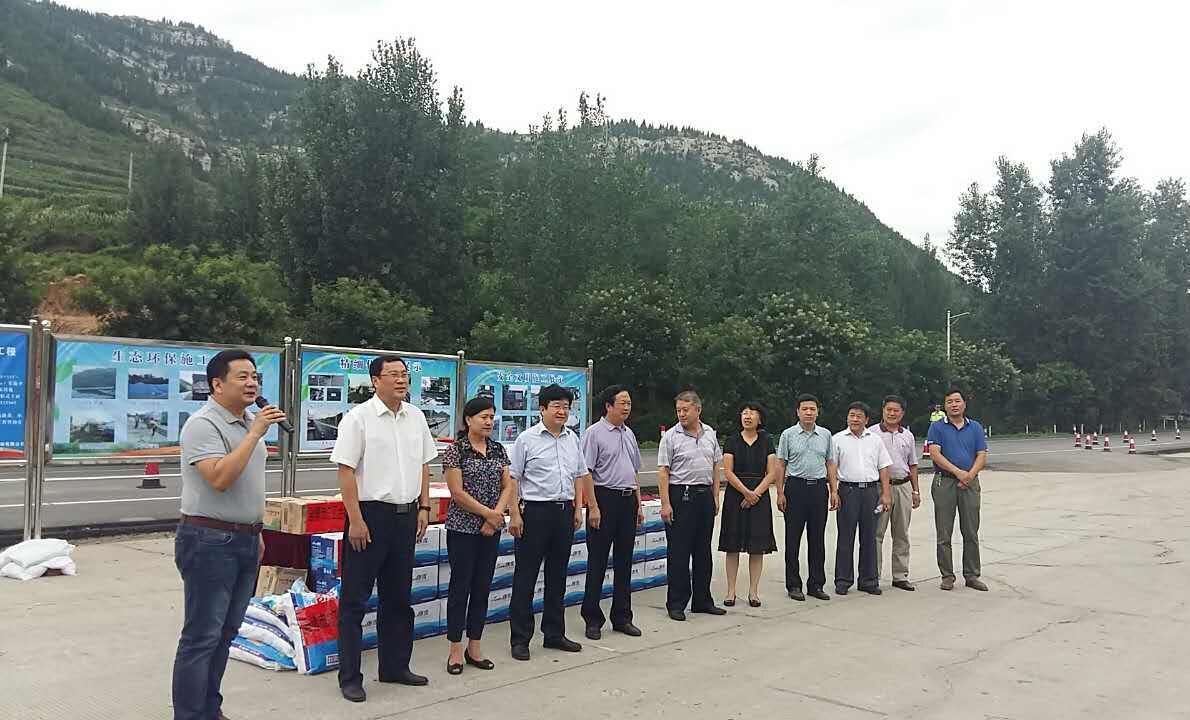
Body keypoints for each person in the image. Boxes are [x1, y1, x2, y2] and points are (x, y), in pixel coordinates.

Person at [173, 349, 287, 720]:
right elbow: (220, 478)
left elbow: (248, 484)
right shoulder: (203, 425)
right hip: (209, 540)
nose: (252, 383)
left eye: (255, 376)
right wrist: (254, 434)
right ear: (217, 384)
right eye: (242, 377)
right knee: (202, 636)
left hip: (246, 539)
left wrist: (256, 530)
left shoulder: (250, 421)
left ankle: (211, 709)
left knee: (226, 633)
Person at [331, 355, 437, 703]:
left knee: (398, 598)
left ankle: (394, 667)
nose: (401, 380)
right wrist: (356, 519)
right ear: (375, 380)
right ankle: (350, 677)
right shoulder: (358, 418)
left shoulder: (416, 417)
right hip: (369, 517)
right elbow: (346, 471)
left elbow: (424, 465)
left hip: (406, 517)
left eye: (404, 374)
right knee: (355, 601)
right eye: (393, 374)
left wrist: (424, 507)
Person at [507, 384, 591, 661]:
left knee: (558, 576)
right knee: (526, 577)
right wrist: (514, 513)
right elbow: (513, 479)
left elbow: (578, 474)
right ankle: (520, 639)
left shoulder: (572, 439)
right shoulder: (526, 439)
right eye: (556, 406)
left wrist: (578, 508)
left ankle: (554, 633)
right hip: (534, 513)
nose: (562, 411)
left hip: (563, 512)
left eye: (566, 406)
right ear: (542, 409)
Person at [442, 397, 516, 675]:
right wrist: (488, 514)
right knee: (460, 587)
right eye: (483, 417)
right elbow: (457, 493)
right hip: (462, 529)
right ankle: (455, 649)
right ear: (468, 420)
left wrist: (495, 516)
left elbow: (508, 485)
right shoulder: (456, 451)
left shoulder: (497, 449)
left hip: (491, 529)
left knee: (482, 587)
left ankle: (475, 646)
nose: (488, 422)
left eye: (491, 417)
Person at [580, 385, 644, 640]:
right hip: (604, 499)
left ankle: (622, 617)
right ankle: (592, 618)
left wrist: (638, 504)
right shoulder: (594, 434)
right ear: (608, 406)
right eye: (622, 403)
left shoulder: (629, 433)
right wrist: (593, 507)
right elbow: (586, 473)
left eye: (629, 403)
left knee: (624, 561)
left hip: (628, 501)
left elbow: (633, 471)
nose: (627, 407)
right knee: (597, 561)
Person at [658, 390, 726, 621]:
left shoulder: (710, 434)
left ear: (698, 409)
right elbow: (663, 472)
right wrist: (666, 503)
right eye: (678, 410)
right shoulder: (671, 436)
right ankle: (676, 603)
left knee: (703, 551)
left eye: (685, 410)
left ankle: (702, 600)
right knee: (679, 552)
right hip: (681, 495)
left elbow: (715, 466)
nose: (681, 414)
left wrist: (715, 496)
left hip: (704, 496)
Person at [927, 387, 990, 591]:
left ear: (964, 404)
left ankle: (972, 575)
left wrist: (969, 475)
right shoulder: (937, 427)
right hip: (944, 482)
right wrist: (958, 473)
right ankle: (947, 576)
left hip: (970, 483)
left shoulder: (975, 427)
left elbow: (981, 454)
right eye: (949, 402)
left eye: (957, 401)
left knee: (971, 531)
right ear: (944, 406)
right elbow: (935, 454)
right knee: (944, 532)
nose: (953, 405)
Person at [718, 402, 778, 607]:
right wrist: (746, 492)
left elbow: (772, 472)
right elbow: (728, 471)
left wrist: (755, 494)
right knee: (732, 546)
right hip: (736, 495)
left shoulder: (767, 441)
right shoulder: (732, 440)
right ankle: (731, 591)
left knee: (757, 547)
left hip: (759, 496)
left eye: (752, 413)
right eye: (744, 413)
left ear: (760, 419)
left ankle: (753, 592)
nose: (748, 416)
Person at [830, 401, 893, 596]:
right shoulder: (837, 439)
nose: (855, 419)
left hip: (870, 492)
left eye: (859, 416)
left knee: (869, 537)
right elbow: (831, 467)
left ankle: (868, 580)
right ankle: (843, 580)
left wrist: (886, 493)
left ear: (866, 420)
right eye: (852, 415)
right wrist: (833, 491)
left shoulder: (875, 440)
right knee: (845, 537)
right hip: (847, 491)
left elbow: (883, 467)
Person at [775, 394, 834, 602]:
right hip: (795, 488)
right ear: (798, 412)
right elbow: (781, 464)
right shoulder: (788, 435)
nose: (809, 412)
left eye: (812, 409)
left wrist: (834, 490)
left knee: (817, 539)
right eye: (805, 409)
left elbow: (830, 463)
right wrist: (780, 492)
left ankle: (816, 584)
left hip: (818, 489)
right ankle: (793, 585)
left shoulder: (826, 435)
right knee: (793, 539)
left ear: (818, 412)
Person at [871, 395, 921, 590]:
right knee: (876, 533)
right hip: (879, 488)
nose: (892, 413)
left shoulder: (907, 435)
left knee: (901, 533)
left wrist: (915, 491)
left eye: (896, 410)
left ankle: (900, 576)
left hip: (903, 487)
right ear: (883, 410)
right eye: (888, 410)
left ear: (902, 413)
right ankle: (872, 576)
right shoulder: (872, 433)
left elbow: (913, 465)